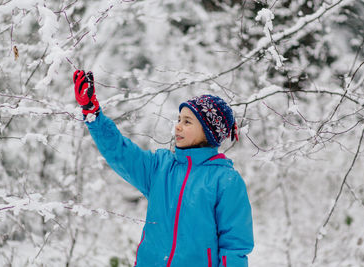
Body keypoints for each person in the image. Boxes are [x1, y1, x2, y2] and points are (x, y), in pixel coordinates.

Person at [72, 70, 254, 267]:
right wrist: (92, 113)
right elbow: (120, 152)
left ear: (208, 132)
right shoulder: (160, 167)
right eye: (178, 120)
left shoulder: (225, 181)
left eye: (187, 122)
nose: (178, 127)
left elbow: (234, 247)